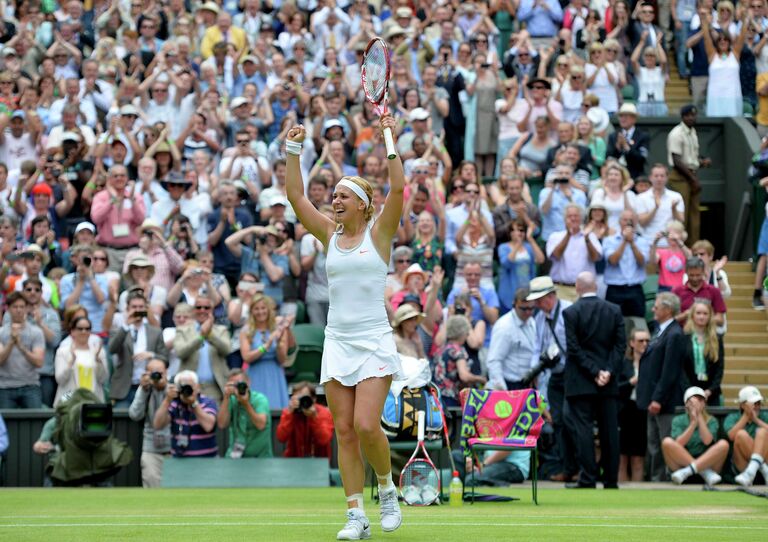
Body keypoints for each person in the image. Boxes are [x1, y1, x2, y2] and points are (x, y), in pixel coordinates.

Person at [285, 116, 404, 539]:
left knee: (369, 425)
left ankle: (388, 489)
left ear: (362, 204)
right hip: (338, 341)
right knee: (346, 431)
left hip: (373, 340)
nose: (334, 200)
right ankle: (356, 514)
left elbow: (399, 189)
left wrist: (389, 137)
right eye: (333, 195)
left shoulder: (381, 232)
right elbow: (296, 196)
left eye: (342, 196)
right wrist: (294, 150)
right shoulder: (328, 235)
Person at [562, 272, 625, 489]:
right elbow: (620, 347)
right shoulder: (614, 310)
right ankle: (611, 479)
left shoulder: (571, 312)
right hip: (608, 381)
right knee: (609, 431)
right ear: (596, 286)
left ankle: (587, 478)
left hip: (581, 380)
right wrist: (606, 371)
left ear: (578, 287)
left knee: (583, 430)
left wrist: (594, 371)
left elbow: (574, 349)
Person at [526, 276, 574, 482]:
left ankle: (577, 466)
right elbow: (537, 347)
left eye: (539, 299)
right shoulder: (539, 318)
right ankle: (567, 467)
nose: (536, 304)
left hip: (571, 372)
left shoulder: (568, 311)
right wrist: (533, 372)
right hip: (554, 375)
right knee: (559, 421)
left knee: (573, 420)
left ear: (551, 296)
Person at [637, 292, 687, 481]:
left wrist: (658, 398)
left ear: (667, 310)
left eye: (656, 307)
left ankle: (665, 479)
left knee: (664, 442)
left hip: (664, 402)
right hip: (654, 400)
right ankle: (657, 478)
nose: (653, 310)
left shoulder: (674, 334)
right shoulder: (662, 331)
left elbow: (670, 372)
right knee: (654, 444)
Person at [109, 292, 169, 408]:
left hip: (150, 386)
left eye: (141, 307)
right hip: (124, 388)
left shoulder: (155, 332)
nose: (137, 310)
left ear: (146, 309)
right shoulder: (120, 330)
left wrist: (151, 355)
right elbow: (112, 349)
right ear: (127, 309)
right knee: (122, 423)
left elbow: (165, 358)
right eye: (134, 307)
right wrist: (126, 325)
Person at [662, 386, 729, 486]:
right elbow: (679, 443)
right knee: (667, 442)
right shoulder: (678, 420)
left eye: (701, 400)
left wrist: (699, 416)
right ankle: (703, 471)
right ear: (686, 403)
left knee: (724, 444)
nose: (698, 403)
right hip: (682, 464)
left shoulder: (712, 420)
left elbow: (707, 441)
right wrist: (693, 423)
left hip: (707, 461)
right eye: (694, 401)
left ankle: (692, 469)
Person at [174, 293, 230, 404]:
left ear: (212, 310)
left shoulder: (221, 330)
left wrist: (210, 335)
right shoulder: (183, 330)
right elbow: (180, 352)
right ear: (193, 310)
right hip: (188, 387)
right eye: (198, 307)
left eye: (206, 307)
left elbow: (227, 350)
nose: (202, 310)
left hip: (214, 388)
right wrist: (201, 336)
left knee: (213, 421)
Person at [666, 105, 711, 245]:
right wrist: (692, 179)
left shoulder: (692, 132)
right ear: (682, 117)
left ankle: (693, 248)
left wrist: (701, 162)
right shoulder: (677, 133)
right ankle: (678, 246)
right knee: (682, 215)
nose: (691, 118)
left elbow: (690, 158)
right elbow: (677, 160)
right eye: (688, 115)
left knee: (694, 216)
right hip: (680, 177)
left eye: (693, 115)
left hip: (692, 175)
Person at [238, 293, 291, 410]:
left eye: (263, 308)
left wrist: (279, 343)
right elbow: (246, 357)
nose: (260, 312)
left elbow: (282, 359)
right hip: (255, 374)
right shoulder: (246, 331)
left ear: (269, 310)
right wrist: (266, 345)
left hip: (275, 374)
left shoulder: (278, 328)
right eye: (256, 309)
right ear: (251, 311)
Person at [153, 370, 218, 458]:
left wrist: (194, 404)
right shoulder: (174, 404)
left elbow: (208, 426)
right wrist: (167, 400)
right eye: (183, 387)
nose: (186, 390)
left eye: (190, 386)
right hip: (180, 460)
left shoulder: (207, 402)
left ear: (198, 387)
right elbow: (157, 425)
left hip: (207, 460)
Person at [128, 358, 172, 488]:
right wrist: (143, 389)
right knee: (151, 491)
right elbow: (134, 414)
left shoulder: (172, 389)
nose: (157, 376)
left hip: (173, 449)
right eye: (154, 372)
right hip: (151, 448)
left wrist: (165, 389)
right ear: (146, 373)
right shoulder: (144, 389)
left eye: (161, 372)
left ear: (166, 373)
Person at [486, 287, 538, 391]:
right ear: (514, 305)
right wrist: (502, 389)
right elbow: (494, 360)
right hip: (510, 384)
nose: (528, 312)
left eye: (531, 309)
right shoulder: (504, 327)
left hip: (528, 382)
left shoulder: (532, 322)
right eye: (524, 309)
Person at [0, 291, 45, 408]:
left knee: (35, 423)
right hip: (5, 387)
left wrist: (20, 345)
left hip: (30, 386)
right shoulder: (1, 333)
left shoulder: (36, 332)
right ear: (8, 309)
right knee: (5, 425)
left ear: (26, 309)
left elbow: (39, 362)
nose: (19, 310)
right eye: (15, 307)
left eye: (22, 307)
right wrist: (11, 341)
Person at [217, 369, 272, 459]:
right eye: (234, 385)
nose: (237, 388)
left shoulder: (260, 399)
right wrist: (226, 397)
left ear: (248, 383)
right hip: (235, 457)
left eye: (240, 384)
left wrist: (246, 403)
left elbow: (261, 425)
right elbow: (222, 424)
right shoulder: (231, 400)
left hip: (259, 458)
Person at [618, 328, 651, 482]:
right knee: (622, 457)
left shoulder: (652, 362)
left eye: (647, 341)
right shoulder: (623, 363)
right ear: (632, 343)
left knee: (638, 457)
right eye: (640, 341)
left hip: (643, 410)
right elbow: (615, 386)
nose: (644, 344)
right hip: (624, 410)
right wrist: (630, 383)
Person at [53, 316, 108, 406]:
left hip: (93, 400)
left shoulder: (99, 352)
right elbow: (60, 379)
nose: (84, 332)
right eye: (80, 329)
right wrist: (71, 362)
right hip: (69, 400)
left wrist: (98, 361)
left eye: (87, 329)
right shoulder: (62, 351)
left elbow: (103, 379)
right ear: (72, 331)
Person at [276, 381, 335, 459]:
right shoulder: (288, 412)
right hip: (294, 460)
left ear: (313, 399)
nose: (301, 401)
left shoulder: (323, 412)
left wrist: (314, 417)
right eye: (298, 398)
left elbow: (324, 439)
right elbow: (281, 437)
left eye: (304, 397)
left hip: (319, 461)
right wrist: (290, 414)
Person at [682, 301, 724, 406]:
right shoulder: (683, 338)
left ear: (710, 316)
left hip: (711, 393)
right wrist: (690, 391)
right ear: (692, 315)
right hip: (688, 392)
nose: (702, 317)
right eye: (698, 313)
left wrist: (710, 391)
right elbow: (681, 368)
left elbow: (720, 368)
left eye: (705, 314)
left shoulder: (717, 338)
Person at [728, 386, 768, 486]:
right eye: (754, 404)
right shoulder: (733, 417)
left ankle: (751, 471)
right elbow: (731, 436)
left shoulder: (765, 416)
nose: (757, 406)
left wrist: (756, 420)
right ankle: (758, 469)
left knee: (762, 432)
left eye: (759, 403)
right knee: (741, 434)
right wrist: (746, 416)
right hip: (742, 466)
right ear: (742, 405)